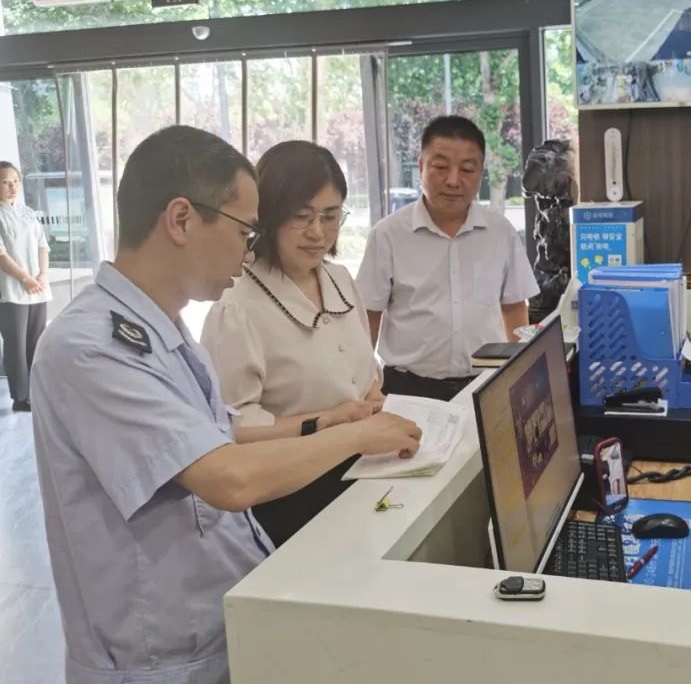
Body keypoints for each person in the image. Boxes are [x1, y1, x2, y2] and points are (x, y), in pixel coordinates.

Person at [30, 125, 421, 684]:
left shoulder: (165, 331)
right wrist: (356, 436)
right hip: (160, 658)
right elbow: (228, 479)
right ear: (181, 219)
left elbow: (221, 435)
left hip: (224, 618)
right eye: (244, 229)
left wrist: (329, 420)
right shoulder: (92, 347)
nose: (248, 248)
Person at [202, 141, 395, 547]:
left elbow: (364, 370)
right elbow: (231, 426)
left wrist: (372, 395)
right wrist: (326, 421)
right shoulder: (237, 307)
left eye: (330, 216)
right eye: (302, 217)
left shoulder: (339, 279)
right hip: (293, 494)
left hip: (365, 471)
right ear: (268, 217)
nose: (318, 233)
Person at [358, 115, 539, 401]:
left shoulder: (500, 232)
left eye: (467, 169)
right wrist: (361, 385)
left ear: (480, 173)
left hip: (485, 385)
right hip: (407, 389)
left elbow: (514, 308)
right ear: (421, 167)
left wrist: (522, 377)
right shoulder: (388, 235)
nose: (453, 181)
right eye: (441, 167)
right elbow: (369, 315)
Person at [0, 161, 51, 411]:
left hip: (37, 289)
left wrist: (42, 275)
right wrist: (25, 278)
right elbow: (1, 255)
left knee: (36, 343)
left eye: (15, 181)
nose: (12, 186)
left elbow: (43, 246)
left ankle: (36, 392)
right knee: (16, 347)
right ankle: (21, 398)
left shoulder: (28, 212)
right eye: (5, 182)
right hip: (11, 292)